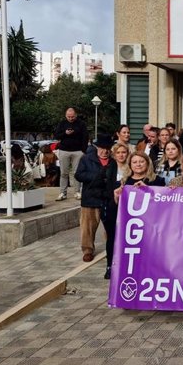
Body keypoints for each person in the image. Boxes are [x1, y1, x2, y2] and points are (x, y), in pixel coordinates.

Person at [74, 134, 113, 263]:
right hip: (90, 198)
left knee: (110, 227)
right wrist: (98, 176)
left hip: (107, 197)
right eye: (102, 148)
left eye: (107, 148)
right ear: (97, 147)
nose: (105, 151)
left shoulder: (113, 160)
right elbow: (79, 175)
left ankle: (111, 249)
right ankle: (87, 250)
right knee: (88, 227)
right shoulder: (86, 159)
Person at [102, 142, 130, 279]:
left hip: (129, 208)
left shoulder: (131, 168)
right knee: (112, 237)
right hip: (113, 206)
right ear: (114, 154)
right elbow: (102, 186)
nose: (121, 155)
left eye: (123, 152)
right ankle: (109, 265)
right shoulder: (109, 168)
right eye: (118, 152)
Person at [54, 107, 89, 201]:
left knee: (77, 172)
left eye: (72, 116)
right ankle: (62, 193)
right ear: (66, 116)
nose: (70, 118)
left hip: (77, 151)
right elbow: (57, 135)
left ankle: (77, 192)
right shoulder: (62, 124)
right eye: (69, 117)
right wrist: (65, 133)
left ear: (76, 115)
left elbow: (85, 137)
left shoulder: (81, 124)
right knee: (63, 172)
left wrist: (83, 150)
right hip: (64, 150)